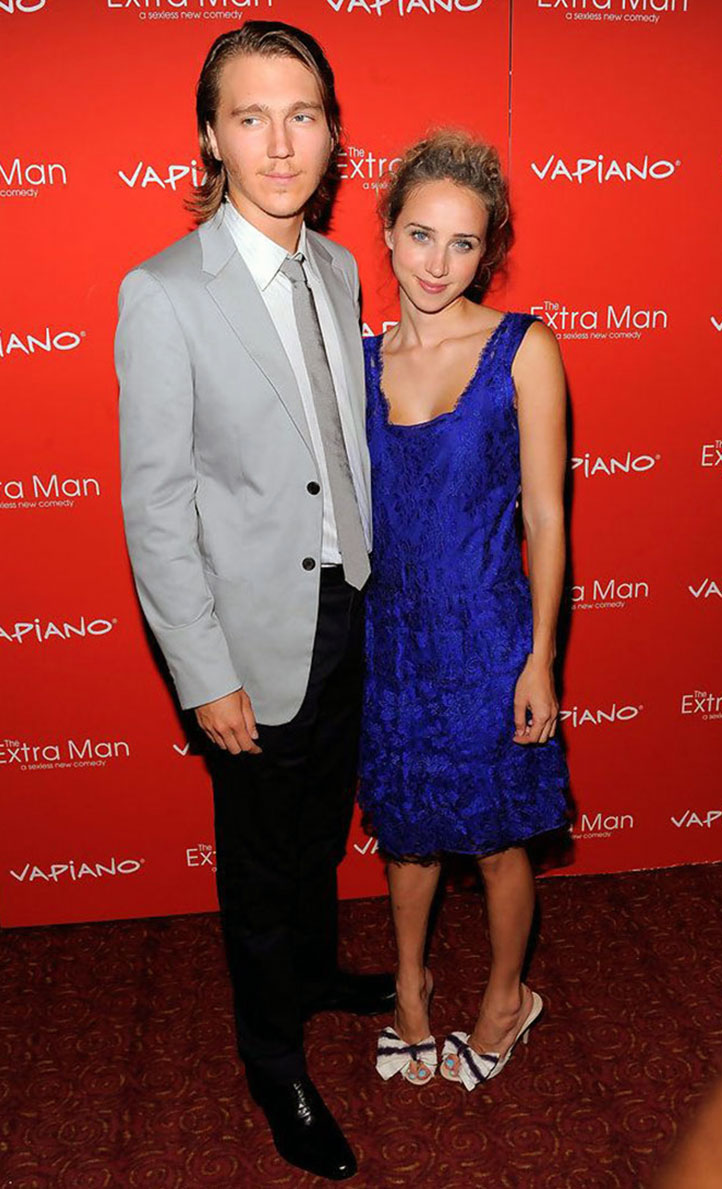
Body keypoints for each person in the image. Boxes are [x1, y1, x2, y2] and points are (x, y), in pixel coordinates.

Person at [115, 20, 394, 1182]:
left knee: (320, 830)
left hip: (347, 607)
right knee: (261, 864)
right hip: (246, 637)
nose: (280, 144)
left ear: (331, 134)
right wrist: (205, 671)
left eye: (302, 116)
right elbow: (156, 505)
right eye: (250, 117)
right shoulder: (163, 293)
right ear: (210, 138)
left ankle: (315, 972)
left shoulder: (339, 267)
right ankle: (273, 1060)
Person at [359, 131, 571, 1091]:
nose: (438, 263)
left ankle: (506, 996)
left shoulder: (524, 348)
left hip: (488, 637)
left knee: (495, 838)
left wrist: (540, 658)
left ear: (488, 251)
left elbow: (547, 516)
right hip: (392, 640)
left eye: (463, 242)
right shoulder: (359, 361)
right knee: (406, 831)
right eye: (421, 235)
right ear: (388, 234)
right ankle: (409, 990)